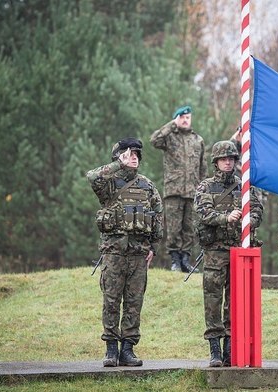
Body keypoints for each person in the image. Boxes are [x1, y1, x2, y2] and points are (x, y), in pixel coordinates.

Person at [86, 138, 163, 367]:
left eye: (137, 154)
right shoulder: (109, 184)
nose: (134, 157)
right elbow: (92, 176)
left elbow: (157, 216)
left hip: (139, 254)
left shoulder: (147, 186)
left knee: (133, 302)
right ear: (119, 157)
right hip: (114, 253)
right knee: (111, 300)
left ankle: (127, 349)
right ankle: (111, 349)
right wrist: (118, 165)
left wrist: (154, 248)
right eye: (129, 153)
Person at [194, 140, 263, 367]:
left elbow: (257, 211)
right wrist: (226, 217)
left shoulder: (245, 186)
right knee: (213, 299)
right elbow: (204, 214)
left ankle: (230, 349)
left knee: (236, 301)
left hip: (238, 251)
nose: (228, 162)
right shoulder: (205, 187)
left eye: (231, 159)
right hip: (215, 251)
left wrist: (247, 221)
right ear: (216, 162)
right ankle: (214, 348)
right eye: (224, 159)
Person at [150, 105, 207, 273]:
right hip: (174, 190)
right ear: (176, 119)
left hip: (192, 191)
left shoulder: (198, 140)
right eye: (182, 117)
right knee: (174, 228)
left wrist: (203, 190)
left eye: (188, 117)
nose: (185, 120)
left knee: (189, 228)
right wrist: (171, 125)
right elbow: (154, 140)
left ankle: (185, 260)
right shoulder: (169, 137)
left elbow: (203, 167)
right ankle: (175, 260)